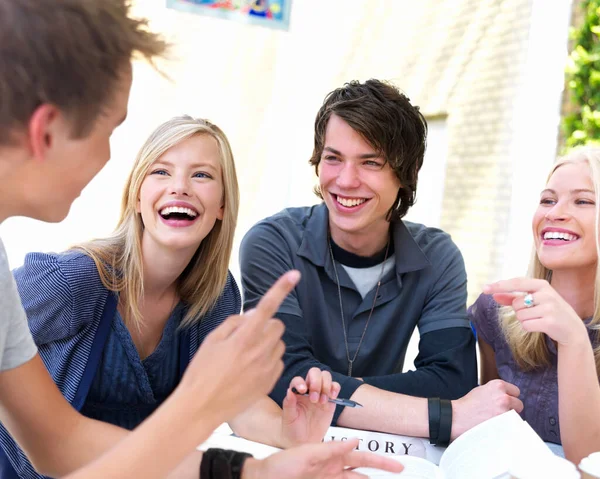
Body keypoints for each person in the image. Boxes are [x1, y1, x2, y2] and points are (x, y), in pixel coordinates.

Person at [0, 2, 404, 478]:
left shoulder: (212, 299)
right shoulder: (67, 282)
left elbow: (61, 442)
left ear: (222, 207)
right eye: (110, 131)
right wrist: (210, 416)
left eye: (201, 176)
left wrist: (273, 451)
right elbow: (55, 448)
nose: (180, 187)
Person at [240, 79, 523, 444]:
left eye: (370, 162)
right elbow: (283, 374)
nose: (345, 180)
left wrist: (334, 392)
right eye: (333, 158)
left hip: (390, 450)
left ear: (405, 175)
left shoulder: (437, 257)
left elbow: (451, 380)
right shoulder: (272, 242)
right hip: (279, 448)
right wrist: (444, 417)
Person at [472, 146, 600, 465]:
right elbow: (484, 428)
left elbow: (589, 464)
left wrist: (572, 336)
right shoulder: (494, 314)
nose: (554, 213)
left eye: (583, 200)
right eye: (547, 200)